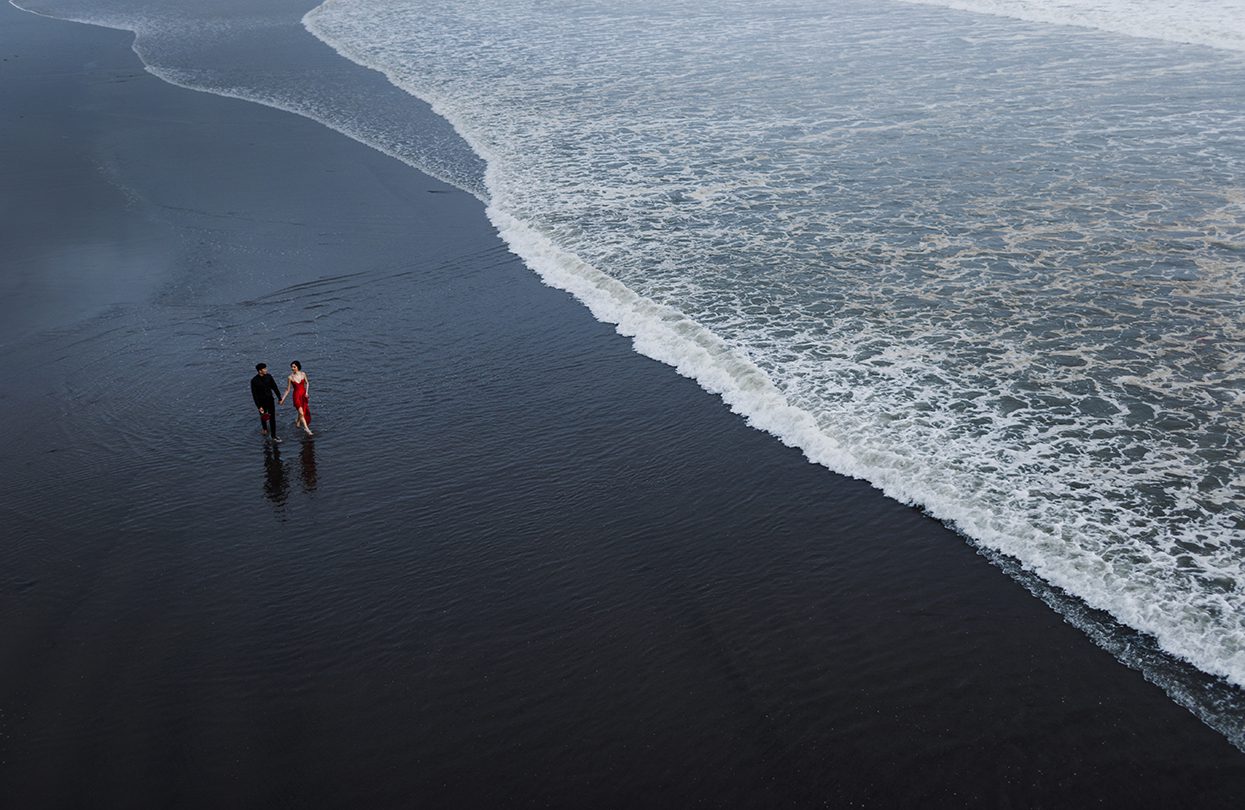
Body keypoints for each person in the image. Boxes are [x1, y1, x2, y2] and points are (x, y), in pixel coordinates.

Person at [250, 362, 282, 442]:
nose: (266, 370)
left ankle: (273, 436)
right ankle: (264, 429)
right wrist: (259, 406)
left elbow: (274, 387)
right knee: (263, 416)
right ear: (260, 371)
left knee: (272, 418)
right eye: (264, 369)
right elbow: (254, 395)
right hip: (261, 402)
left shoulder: (269, 377)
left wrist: (279, 397)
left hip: (270, 400)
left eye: (265, 368)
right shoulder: (254, 380)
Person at [280, 359, 313, 437]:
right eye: (292, 367)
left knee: (302, 410)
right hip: (296, 396)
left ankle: (298, 421)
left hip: (303, 395)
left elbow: (307, 383)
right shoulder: (290, 377)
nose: (292, 368)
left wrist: (307, 392)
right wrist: (282, 399)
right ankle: (307, 429)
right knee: (301, 412)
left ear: (298, 367)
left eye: (294, 367)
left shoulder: (303, 374)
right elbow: (288, 390)